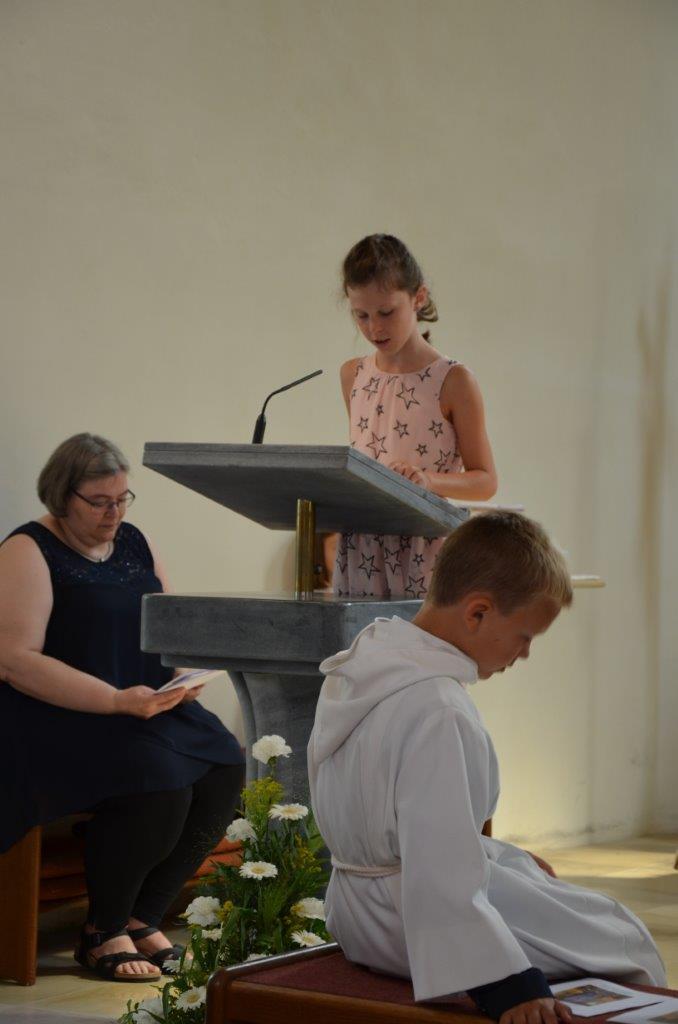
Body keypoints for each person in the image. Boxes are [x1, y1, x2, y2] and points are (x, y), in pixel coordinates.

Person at [309, 512, 665, 1022]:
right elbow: (439, 868)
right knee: (620, 938)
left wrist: (499, 857)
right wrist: (510, 988)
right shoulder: (439, 708)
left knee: (551, 891)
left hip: (354, 912)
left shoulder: (363, 666)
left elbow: (401, 827)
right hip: (412, 925)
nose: (525, 654)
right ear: (477, 612)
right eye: (525, 636)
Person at [0, 434, 245, 982]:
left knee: (227, 762)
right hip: (57, 712)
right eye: (99, 502)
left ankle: (143, 916)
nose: (114, 513)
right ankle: (101, 930)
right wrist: (113, 701)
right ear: (63, 496)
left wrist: (182, 677)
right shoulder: (28, 549)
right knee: (157, 778)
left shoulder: (134, 541)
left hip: (138, 705)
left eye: (122, 499)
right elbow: (15, 661)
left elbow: (167, 624)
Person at [334, 233, 497, 598]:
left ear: (418, 297)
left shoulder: (453, 380)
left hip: (425, 552)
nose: (374, 328)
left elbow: (485, 481)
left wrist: (427, 480)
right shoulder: (353, 375)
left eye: (387, 312)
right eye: (361, 315)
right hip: (361, 550)